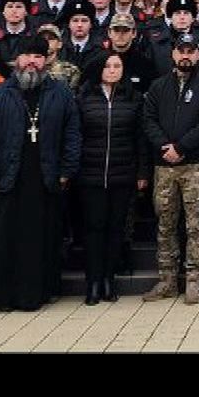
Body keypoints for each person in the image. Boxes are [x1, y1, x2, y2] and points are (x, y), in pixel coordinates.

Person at [0, 36, 82, 311]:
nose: (32, 61)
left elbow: (72, 134)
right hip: (7, 178)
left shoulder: (60, 93)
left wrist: (67, 170)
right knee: (4, 239)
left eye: (38, 56)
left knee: (40, 239)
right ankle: (2, 296)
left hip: (45, 177)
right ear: (17, 60)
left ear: (46, 61)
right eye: (27, 56)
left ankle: (36, 294)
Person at [142, 32, 199, 304]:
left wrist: (182, 146)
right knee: (165, 224)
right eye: (182, 50)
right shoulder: (158, 86)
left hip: (195, 166)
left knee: (196, 225)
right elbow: (148, 120)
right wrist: (165, 146)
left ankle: (193, 279)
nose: (186, 55)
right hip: (164, 166)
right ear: (173, 54)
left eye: (191, 50)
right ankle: (167, 279)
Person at [74, 51, 146, 305]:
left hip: (122, 173)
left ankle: (108, 279)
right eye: (108, 66)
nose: (113, 70)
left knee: (116, 229)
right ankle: (93, 281)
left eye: (118, 66)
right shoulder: (84, 97)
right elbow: (76, 135)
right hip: (91, 174)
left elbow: (140, 138)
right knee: (94, 228)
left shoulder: (134, 98)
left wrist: (141, 173)